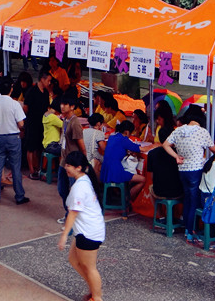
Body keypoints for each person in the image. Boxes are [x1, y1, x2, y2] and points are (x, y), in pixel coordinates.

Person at [163, 107, 215, 242]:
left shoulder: (178, 130)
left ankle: (187, 227)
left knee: (187, 199)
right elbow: (214, 149)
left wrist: (176, 156)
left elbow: (165, 145)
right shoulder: (202, 132)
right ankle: (190, 230)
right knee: (194, 202)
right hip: (196, 170)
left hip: (182, 170)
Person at [58, 151, 105, 301]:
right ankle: (93, 289)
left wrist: (64, 236)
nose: (66, 167)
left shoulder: (79, 187)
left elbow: (73, 213)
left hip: (89, 232)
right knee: (74, 260)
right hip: (84, 231)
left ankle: (97, 297)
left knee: (89, 267)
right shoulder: (84, 180)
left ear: (78, 167)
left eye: (69, 165)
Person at [0, 76, 29, 205]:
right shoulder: (15, 104)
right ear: (11, 89)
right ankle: (19, 196)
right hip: (13, 138)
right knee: (15, 167)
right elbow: (21, 124)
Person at [57, 96, 86, 223]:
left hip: (73, 162)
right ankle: (69, 212)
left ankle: (74, 216)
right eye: (62, 104)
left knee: (74, 190)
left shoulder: (75, 123)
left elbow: (81, 145)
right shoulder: (65, 120)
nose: (62, 106)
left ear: (72, 107)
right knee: (62, 189)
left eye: (65, 104)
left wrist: (84, 162)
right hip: (64, 161)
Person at [100, 120, 145, 200]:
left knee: (129, 178)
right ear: (127, 132)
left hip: (106, 171)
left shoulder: (112, 137)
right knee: (142, 179)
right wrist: (155, 145)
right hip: (115, 172)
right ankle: (127, 200)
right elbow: (141, 149)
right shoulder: (124, 139)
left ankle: (123, 196)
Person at [24, 68, 51, 179]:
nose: (49, 83)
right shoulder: (32, 91)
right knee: (31, 147)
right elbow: (25, 107)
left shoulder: (45, 93)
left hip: (42, 124)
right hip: (32, 123)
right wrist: (30, 117)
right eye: (48, 80)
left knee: (39, 147)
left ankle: (38, 168)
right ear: (42, 79)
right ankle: (31, 171)